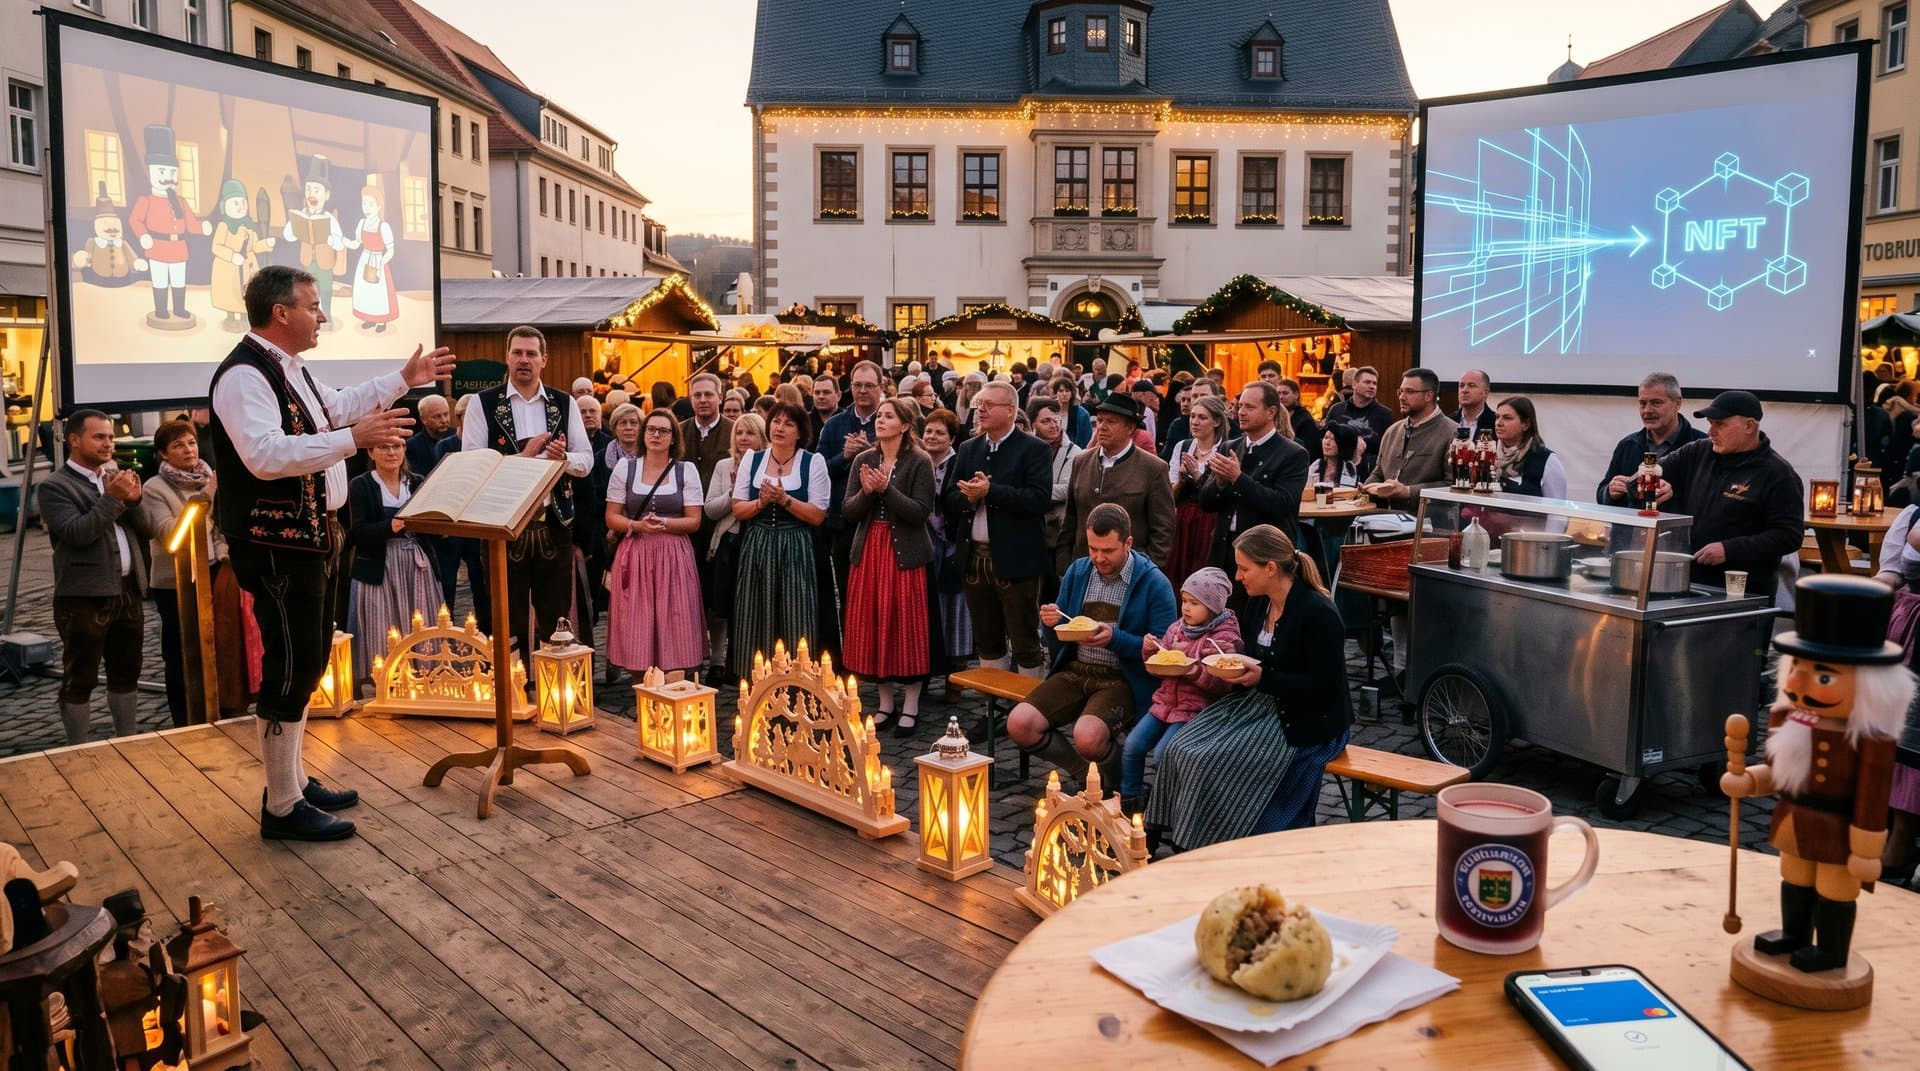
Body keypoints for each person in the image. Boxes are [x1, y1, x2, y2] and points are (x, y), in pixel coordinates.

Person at [208, 264, 454, 840]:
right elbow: (265, 455)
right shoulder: (244, 376)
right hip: (276, 544)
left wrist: (404, 379)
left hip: (309, 539)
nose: (322, 316)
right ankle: (281, 806)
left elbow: (339, 406)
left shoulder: (289, 368)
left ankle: (290, 780)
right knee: (290, 667)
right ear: (280, 313)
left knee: (310, 661)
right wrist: (353, 441)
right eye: (313, 306)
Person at [1721, 575, 1913, 973]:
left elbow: (1873, 794)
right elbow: (1778, 773)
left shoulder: (1870, 741)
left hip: (1840, 828)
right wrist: (1748, 780)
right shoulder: (1788, 721)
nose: (1800, 684)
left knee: (1834, 886)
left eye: (1824, 677)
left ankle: (1830, 949)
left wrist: (1866, 848)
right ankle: (1794, 933)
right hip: (1795, 819)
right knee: (1794, 875)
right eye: (1798, 668)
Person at [1145, 525, 1353, 850]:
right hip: (1259, 703)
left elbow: (1325, 688)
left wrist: (1262, 678)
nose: (1238, 576)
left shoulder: (1318, 613)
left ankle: (1209, 841)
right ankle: (1171, 833)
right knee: (1179, 747)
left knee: (1205, 759)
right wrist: (1235, 659)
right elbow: (1256, 659)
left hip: (1307, 718)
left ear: (1270, 568)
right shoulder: (1259, 604)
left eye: (1244, 568)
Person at [1013, 504, 1177, 783]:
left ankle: (1117, 787)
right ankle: (1087, 777)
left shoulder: (1154, 583)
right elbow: (1060, 637)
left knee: (1087, 737)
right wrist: (1051, 623)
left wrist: (1116, 639)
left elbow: (1164, 650)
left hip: (1123, 678)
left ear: (1128, 543)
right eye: (1093, 548)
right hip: (1076, 670)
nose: (1099, 558)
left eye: (1108, 550)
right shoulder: (1079, 571)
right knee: (1020, 724)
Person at [460, 325, 593, 668]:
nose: (524, 360)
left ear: (544, 359)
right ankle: (514, 691)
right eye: (517, 353)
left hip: (554, 524)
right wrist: (526, 458)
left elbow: (586, 460)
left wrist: (563, 459)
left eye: (531, 354)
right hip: (504, 527)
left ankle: (552, 693)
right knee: (507, 620)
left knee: (556, 620)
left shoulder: (564, 402)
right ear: (506, 357)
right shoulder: (482, 404)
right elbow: (472, 466)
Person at [44, 409, 152, 743]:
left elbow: (147, 529)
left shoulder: (115, 476)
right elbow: (78, 533)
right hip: (83, 596)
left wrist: (134, 501)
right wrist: (113, 498)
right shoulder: (54, 486)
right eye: (99, 437)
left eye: (110, 437)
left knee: (127, 671)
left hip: (128, 591)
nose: (108, 444)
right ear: (74, 440)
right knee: (80, 677)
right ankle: (77, 749)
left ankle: (127, 740)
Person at [141, 419, 257, 724]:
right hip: (176, 583)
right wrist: (204, 497)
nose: (188, 449)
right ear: (163, 453)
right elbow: (171, 535)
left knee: (218, 645)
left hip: (214, 573)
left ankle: (219, 707)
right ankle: (184, 719)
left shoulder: (209, 476)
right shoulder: (155, 488)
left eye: (191, 442)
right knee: (182, 653)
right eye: (178, 445)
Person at [1650, 390, 1803, 601]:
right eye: (1710, 423)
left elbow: (1789, 536)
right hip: (1689, 585)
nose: (1711, 431)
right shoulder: (1698, 451)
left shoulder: (1778, 474)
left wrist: (1728, 550)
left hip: (1743, 594)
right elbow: (1649, 472)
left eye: (1720, 424)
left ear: (1749, 426)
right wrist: (1652, 483)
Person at [842, 397, 937, 735]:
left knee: (906, 625)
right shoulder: (864, 459)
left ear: (906, 425)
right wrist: (868, 492)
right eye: (879, 416)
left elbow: (920, 512)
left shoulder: (920, 461)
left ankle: (911, 704)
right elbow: (849, 511)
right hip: (869, 550)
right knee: (873, 622)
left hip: (905, 554)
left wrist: (887, 489)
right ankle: (885, 702)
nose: (880, 420)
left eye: (888, 416)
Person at [946, 381, 1054, 677]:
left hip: (1016, 560)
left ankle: (1029, 703)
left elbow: (1039, 499)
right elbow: (949, 498)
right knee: (987, 639)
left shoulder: (1034, 449)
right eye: (979, 404)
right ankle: (992, 702)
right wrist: (969, 498)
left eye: (988, 405)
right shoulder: (968, 448)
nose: (980, 410)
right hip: (974, 558)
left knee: (1024, 640)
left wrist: (990, 491)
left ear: (1010, 410)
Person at [1122, 566, 1242, 813]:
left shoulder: (1223, 639)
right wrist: (1151, 650)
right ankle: (1130, 799)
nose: (1186, 608)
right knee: (1133, 745)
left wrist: (1195, 672)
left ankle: (1165, 808)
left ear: (1213, 606)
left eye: (1194, 603)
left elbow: (1224, 684)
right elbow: (1157, 668)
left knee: (1163, 754)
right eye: (1184, 600)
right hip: (1165, 703)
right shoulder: (1177, 629)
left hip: (1195, 709)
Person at [729, 401, 831, 678]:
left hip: (796, 546)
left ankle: (799, 683)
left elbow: (817, 515)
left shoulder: (813, 462)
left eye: (788, 423)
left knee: (797, 614)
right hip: (758, 544)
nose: (780, 428)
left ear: (800, 432)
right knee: (754, 613)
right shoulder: (753, 460)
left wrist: (785, 499)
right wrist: (761, 503)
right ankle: (756, 684)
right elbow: (738, 509)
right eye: (775, 421)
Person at [606, 409, 707, 677]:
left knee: (676, 618)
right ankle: (642, 684)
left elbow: (694, 521)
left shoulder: (686, 471)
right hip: (636, 553)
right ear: (643, 434)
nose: (656, 435)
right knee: (637, 621)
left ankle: (673, 684)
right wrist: (637, 525)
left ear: (673, 438)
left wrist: (663, 523)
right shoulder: (626, 468)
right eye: (651, 429)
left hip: (674, 554)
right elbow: (611, 516)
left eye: (663, 431)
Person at [1200, 382, 1310, 601]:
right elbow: (1205, 502)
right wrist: (1219, 483)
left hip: (1263, 557)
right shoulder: (1229, 447)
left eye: (1249, 407)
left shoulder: (1293, 454)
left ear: (1271, 412)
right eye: (1240, 406)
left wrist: (1238, 479)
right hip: (1224, 551)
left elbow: (1282, 504)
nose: (1241, 412)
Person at [344, 441, 441, 687]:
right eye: (383, 447)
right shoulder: (361, 485)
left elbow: (433, 530)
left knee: (420, 621)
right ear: (370, 452)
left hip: (415, 565)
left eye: (397, 447)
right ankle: (387, 681)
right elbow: (357, 532)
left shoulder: (417, 482)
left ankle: (423, 677)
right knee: (383, 625)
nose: (391, 453)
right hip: (380, 566)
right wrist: (390, 526)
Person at [1061, 392, 1176, 567]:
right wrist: (1065, 567)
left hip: (1130, 569)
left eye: (1111, 421)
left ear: (1130, 428)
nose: (1102, 427)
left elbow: (1163, 529)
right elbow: (1070, 521)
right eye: (1100, 420)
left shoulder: (1153, 468)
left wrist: (1147, 570)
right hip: (1084, 566)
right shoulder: (1081, 461)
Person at [819, 361, 885, 646]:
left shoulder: (892, 418)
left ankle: (881, 649)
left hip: (884, 520)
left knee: (881, 593)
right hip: (844, 522)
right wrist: (844, 456)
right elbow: (820, 470)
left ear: (881, 387)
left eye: (869, 385)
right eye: (857, 385)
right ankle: (853, 650)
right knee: (849, 591)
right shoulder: (835, 424)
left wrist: (872, 453)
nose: (862, 391)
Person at [704, 414, 767, 681]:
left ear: (761, 436)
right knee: (720, 604)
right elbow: (710, 509)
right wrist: (732, 490)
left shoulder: (768, 464)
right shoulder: (724, 465)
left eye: (750, 433)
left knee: (749, 605)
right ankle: (717, 660)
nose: (743, 438)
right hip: (728, 540)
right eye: (739, 432)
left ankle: (742, 660)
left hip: (756, 540)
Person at [680, 371, 734, 676]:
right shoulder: (679, 430)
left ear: (720, 397)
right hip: (686, 525)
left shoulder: (732, 431)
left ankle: (717, 658)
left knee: (718, 595)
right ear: (691, 399)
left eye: (708, 395)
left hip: (721, 524)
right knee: (689, 595)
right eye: (697, 395)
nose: (703, 400)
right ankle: (689, 654)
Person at [1597, 372, 1708, 504]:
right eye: (1642, 403)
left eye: (1656, 403)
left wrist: (1672, 497)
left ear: (1677, 403)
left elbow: (1712, 503)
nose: (1647, 410)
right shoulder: (1628, 445)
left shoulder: (1703, 447)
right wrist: (1610, 492)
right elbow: (1601, 495)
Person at [922, 408, 974, 674]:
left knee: (955, 607)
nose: (932, 436)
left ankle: (956, 671)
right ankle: (930, 665)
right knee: (930, 606)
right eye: (928, 431)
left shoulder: (959, 463)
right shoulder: (919, 462)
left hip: (952, 542)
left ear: (952, 438)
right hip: (927, 543)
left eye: (939, 433)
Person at [1360, 368, 1454, 512]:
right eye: (1401, 391)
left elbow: (1452, 485)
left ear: (1429, 395)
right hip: (1385, 518)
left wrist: (1408, 492)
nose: (1402, 397)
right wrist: (1364, 490)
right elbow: (1379, 472)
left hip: (1427, 520)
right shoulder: (1392, 431)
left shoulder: (1452, 433)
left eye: (1409, 392)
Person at [1167, 395, 1229, 586]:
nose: (1194, 422)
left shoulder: (1225, 450)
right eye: (1193, 416)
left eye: (1202, 417)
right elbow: (1170, 496)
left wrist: (1196, 474)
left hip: (1211, 522)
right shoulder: (1183, 446)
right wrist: (1181, 480)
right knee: (1178, 572)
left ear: (1216, 421)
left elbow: (1221, 495)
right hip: (1183, 521)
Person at [1030, 398, 1082, 602]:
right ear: (1033, 424)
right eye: (1046, 421)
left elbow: (1068, 489)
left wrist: (1035, 493)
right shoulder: (1028, 450)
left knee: (1055, 591)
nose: (1053, 425)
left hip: (1057, 533)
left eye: (1056, 420)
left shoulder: (1074, 453)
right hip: (1032, 531)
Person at [1491, 396, 1568, 498]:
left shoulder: (1545, 460)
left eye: (1507, 418)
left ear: (1526, 424)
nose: (1498, 423)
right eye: (1497, 417)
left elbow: (1556, 506)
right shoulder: (1488, 453)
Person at [1322, 366, 1393, 460]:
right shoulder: (1337, 410)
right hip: (1339, 465)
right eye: (1367, 382)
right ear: (1354, 384)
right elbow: (1325, 440)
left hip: (1370, 467)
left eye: (1374, 383)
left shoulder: (1385, 415)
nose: (1372, 386)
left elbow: (1389, 450)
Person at [1451, 368, 1496, 437]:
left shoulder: (1496, 423)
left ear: (1486, 393)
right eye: (1461, 386)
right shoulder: (1449, 421)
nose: (1464, 390)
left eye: (1471, 386)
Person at [1275, 377, 1319, 445]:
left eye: (1285, 393)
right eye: (1278, 393)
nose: (1281, 397)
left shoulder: (1305, 420)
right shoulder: (1274, 416)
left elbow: (1308, 446)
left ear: (1296, 395)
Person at [1052, 375, 1092, 448]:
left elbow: (1087, 440)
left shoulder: (1082, 414)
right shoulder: (1048, 410)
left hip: (1074, 451)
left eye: (1067, 391)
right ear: (1056, 393)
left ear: (1072, 393)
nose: (1064, 394)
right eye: (1061, 391)